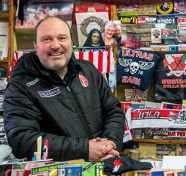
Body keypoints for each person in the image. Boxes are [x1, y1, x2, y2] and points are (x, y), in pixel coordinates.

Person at [4, 16, 124, 162]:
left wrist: (109, 143)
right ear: (35, 45)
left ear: (71, 42)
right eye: (46, 39)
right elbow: (22, 140)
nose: (55, 45)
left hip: (105, 164)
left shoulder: (88, 70)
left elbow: (113, 110)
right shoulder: (20, 85)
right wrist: (85, 150)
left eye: (62, 38)